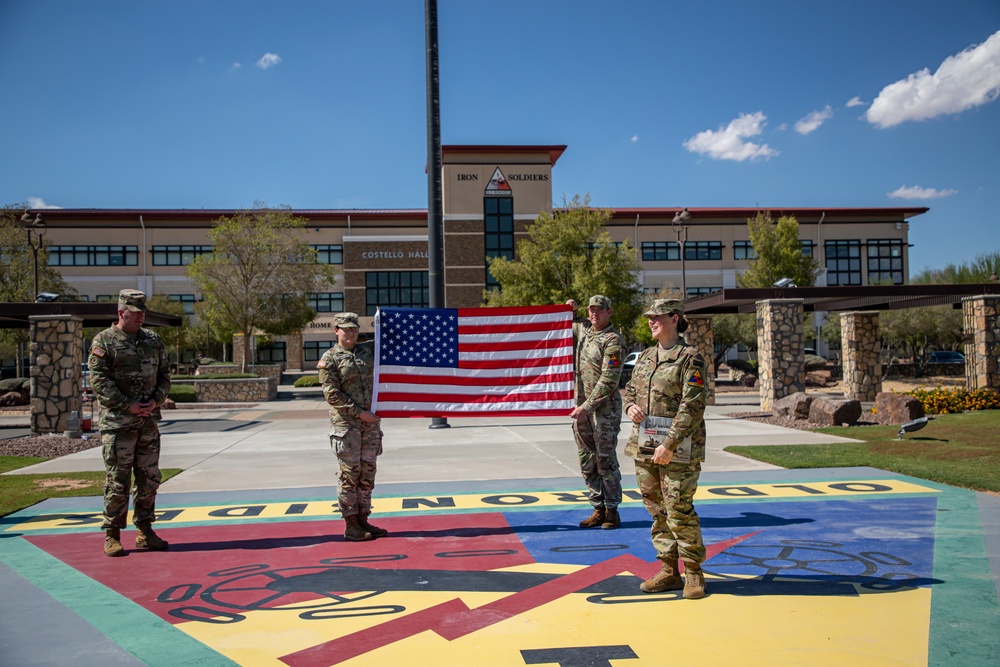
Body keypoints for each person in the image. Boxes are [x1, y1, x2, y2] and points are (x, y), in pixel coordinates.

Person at [623, 298, 708, 599]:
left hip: (679, 448)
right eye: (649, 317)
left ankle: (694, 572)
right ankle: (669, 570)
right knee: (657, 509)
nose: (650, 321)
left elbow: (693, 405)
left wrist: (669, 444)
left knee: (679, 509)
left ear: (674, 318)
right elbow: (630, 389)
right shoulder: (646, 356)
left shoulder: (690, 358)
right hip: (646, 445)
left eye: (656, 316)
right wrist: (630, 405)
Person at [89, 289, 172, 557]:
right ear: (120, 313)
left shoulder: (152, 340)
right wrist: (128, 404)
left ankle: (145, 531)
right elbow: (99, 381)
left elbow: (164, 374)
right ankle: (112, 534)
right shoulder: (104, 341)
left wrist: (156, 400)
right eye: (135, 313)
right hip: (119, 425)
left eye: (142, 313)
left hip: (147, 423)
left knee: (149, 478)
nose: (140, 318)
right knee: (118, 480)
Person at [317, 312, 386, 542]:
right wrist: (360, 413)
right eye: (346, 329)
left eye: (354, 328)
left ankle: (364, 518)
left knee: (367, 473)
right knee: (349, 474)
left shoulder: (368, 351)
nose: (351, 333)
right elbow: (331, 394)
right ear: (336, 330)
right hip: (347, 427)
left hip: (370, 427)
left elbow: (391, 340)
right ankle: (351, 524)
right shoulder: (330, 358)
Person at [566, 295, 625, 529]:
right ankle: (597, 508)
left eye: (599, 310)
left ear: (609, 312)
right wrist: (569, 309)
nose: (594, 314)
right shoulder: (584, 331)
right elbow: (561, 324)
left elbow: (609, 380)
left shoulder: (613, 341)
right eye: (591, 310)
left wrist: (587, 407)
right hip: (581, 410)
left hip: (604, 412)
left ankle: (612, 511)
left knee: (605, 460)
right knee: (586, 460)